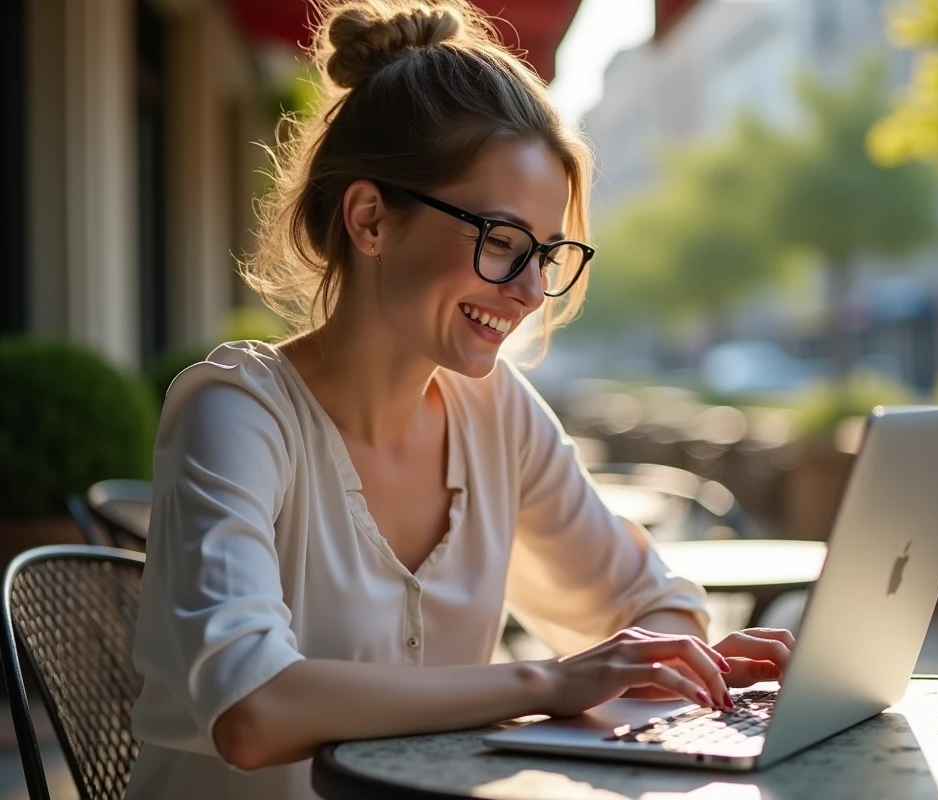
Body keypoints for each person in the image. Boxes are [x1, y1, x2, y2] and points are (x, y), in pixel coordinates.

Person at [125, 1, 794, 797]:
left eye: (547, 254)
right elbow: (253, 709)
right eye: (503, 243)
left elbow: (651, 604)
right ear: (371, 218)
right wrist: (544, 683)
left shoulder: (495, 413)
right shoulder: (235, 413)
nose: (531, 291)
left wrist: (685, 661)